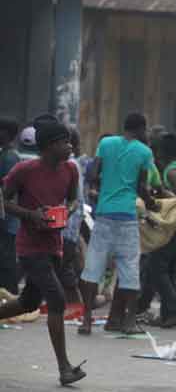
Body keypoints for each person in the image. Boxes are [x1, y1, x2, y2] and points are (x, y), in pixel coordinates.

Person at [0, 121, 86, 385]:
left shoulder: (71, 170)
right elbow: (4, 199)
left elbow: (72, 199)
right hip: (29, 246)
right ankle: (65, 368)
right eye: (65, 142)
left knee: (28, 303)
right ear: (49, 147)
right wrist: (30, 215)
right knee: (57, 300)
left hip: (53, 245)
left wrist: (67, 210)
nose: (70, 147)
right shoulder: (24, 170)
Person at [78, 113, 159, 336]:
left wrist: (104, 187)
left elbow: (93, 173)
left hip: (104, 214)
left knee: (93, 267)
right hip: (127, 216)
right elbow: (142, 186)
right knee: (129, 268)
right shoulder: (144, 152)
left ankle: (86, 321)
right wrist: (152, 202)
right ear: (142, 129)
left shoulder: (106, 143)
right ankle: (129, 321)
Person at [140, 133, 176, 328]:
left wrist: (160, 200)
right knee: (172, 270)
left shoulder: (170, 171)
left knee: (157, 268)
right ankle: (172, 315)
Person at [60, 128, 84, 305]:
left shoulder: (71, 165)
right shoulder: (68, 164)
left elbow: (74, 199)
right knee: (62, 264)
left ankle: (76, 302)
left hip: (67, 224)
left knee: (64, 265)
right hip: (65, 223)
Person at [0, 117, 21, 294]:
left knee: (6, 257)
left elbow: (7, 189)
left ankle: (11, 294)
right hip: (6, 215)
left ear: (6, 134)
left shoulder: (9, 157)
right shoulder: (6, 154)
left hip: (7, 216)